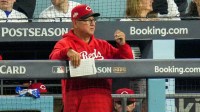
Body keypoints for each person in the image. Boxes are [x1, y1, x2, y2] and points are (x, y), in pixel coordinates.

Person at [49, 4, 134, 112]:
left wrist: (123, 46)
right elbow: (53, 59)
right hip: (76, 106)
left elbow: (128, 62)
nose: (92, 23)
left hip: (102, 105)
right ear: (75, 23)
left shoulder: (102, 45)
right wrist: (67, 51)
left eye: (94, 20)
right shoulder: (65, 43)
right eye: (87, 20)